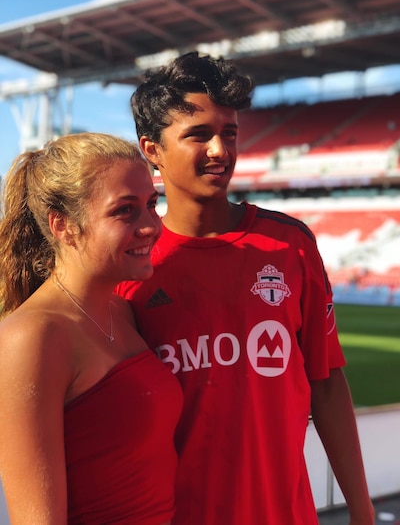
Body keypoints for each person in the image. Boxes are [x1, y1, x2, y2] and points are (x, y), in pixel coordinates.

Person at [116, 52, 375, 525]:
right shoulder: (129, 267)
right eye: (198, 135)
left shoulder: (290, 245)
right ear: (150, 149)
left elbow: (327, 383)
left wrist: (363, 511)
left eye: (229, 133)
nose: (220, 150)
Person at [0, 132, 183, 525]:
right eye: (125, 210)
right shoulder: (31, 338)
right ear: (63, 225)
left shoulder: (123, 311)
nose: (151, 225)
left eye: (152, 205)